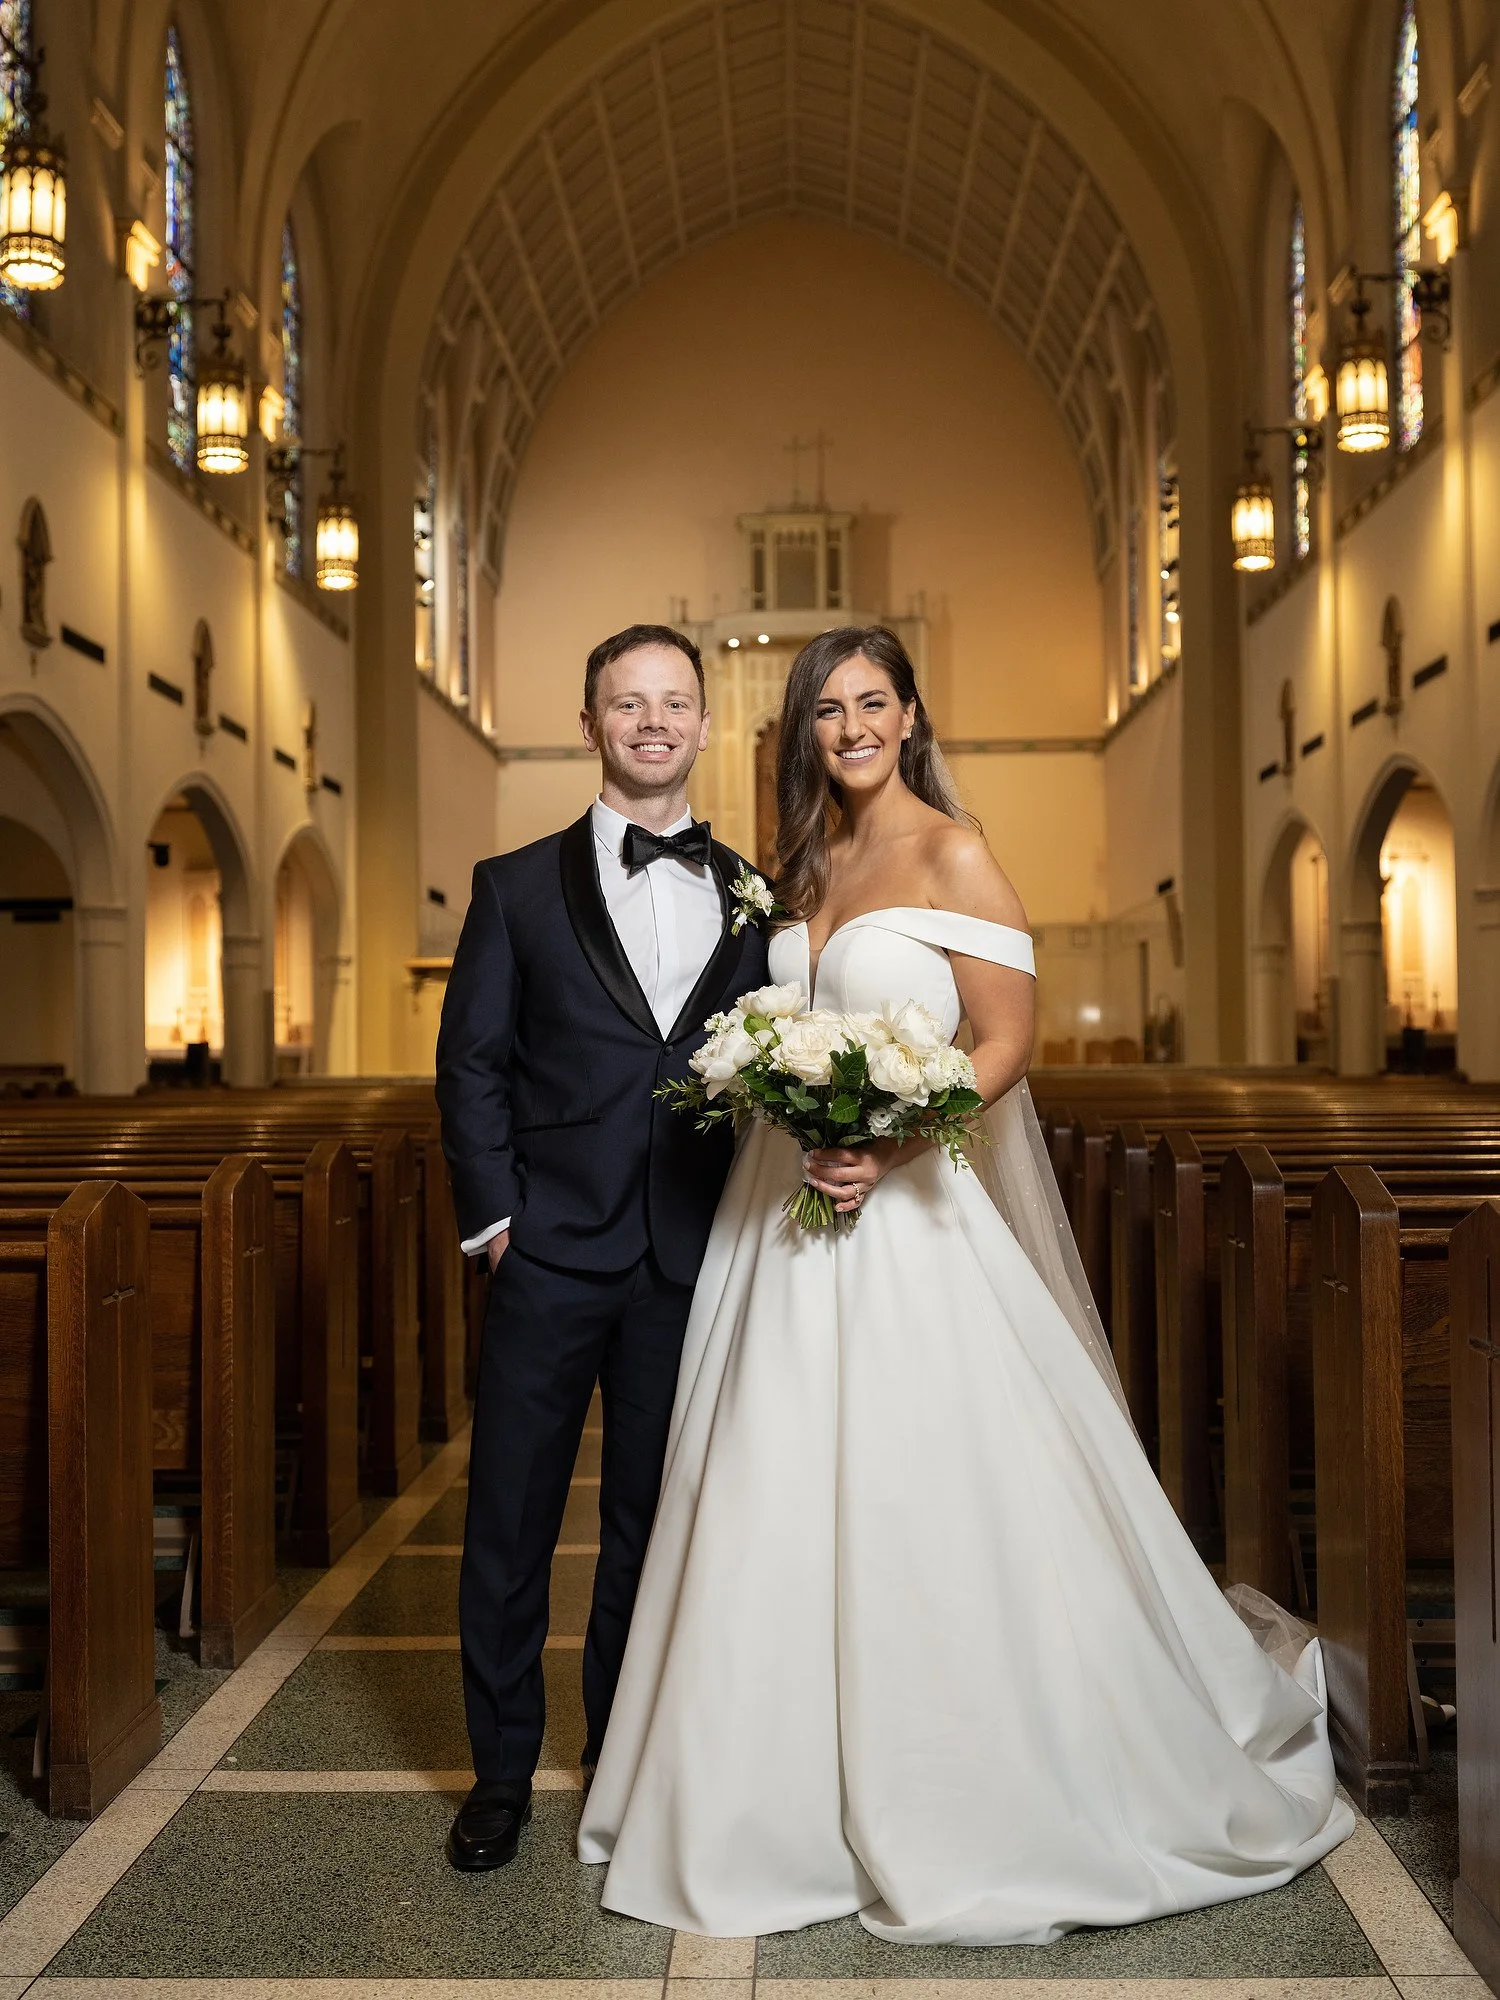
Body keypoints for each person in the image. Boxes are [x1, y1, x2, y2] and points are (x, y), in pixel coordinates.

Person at [577, 624, 1353, 1944]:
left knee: (925, 1493)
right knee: (758, 1483)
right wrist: (783, 1091)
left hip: (910, 1223)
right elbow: (765, 1016)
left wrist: (883, 1131)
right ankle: (757, 1789)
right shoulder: (804, 864)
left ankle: (967, 1778)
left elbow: (1006, 1042)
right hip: (777, 1221)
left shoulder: (958, 854)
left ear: (912, 712)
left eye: (871, 703)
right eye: (826, 711)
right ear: (804, 732)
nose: (850, 728)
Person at [435, 624, 769, 1873]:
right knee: (511, 1519)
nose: (651, 721)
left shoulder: (752, 894)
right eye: (627, 703)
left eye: (673, 702)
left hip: (687, 1252)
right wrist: (496, 1219)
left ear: (700, 721)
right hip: (548, 1249)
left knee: (649, 1520)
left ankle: (617, 1755)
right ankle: (502, 1771)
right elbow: (469, 1063)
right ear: (591, 723)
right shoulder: (513, 884)